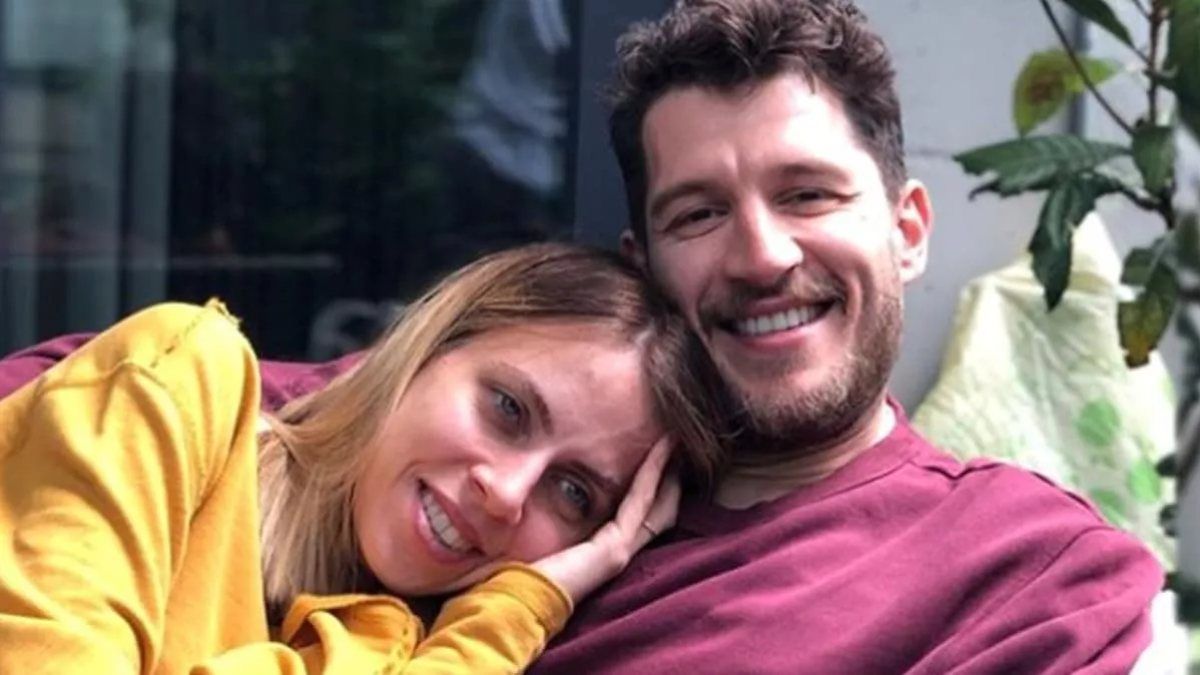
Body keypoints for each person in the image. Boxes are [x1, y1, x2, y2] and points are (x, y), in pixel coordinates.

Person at [0, 1, 1166, 672]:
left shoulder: (1021, 568)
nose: (762, 253)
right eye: (698, 212)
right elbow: (132, 395)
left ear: (907, 229)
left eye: (809, 193)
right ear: (641, 261)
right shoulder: (478, 456)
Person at [0, 243, 725, 673]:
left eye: (572, 493)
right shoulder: (182, 376)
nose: (507, 493)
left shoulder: (388, 643)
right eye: (508, 408)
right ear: (427, 345)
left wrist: (518, 607)